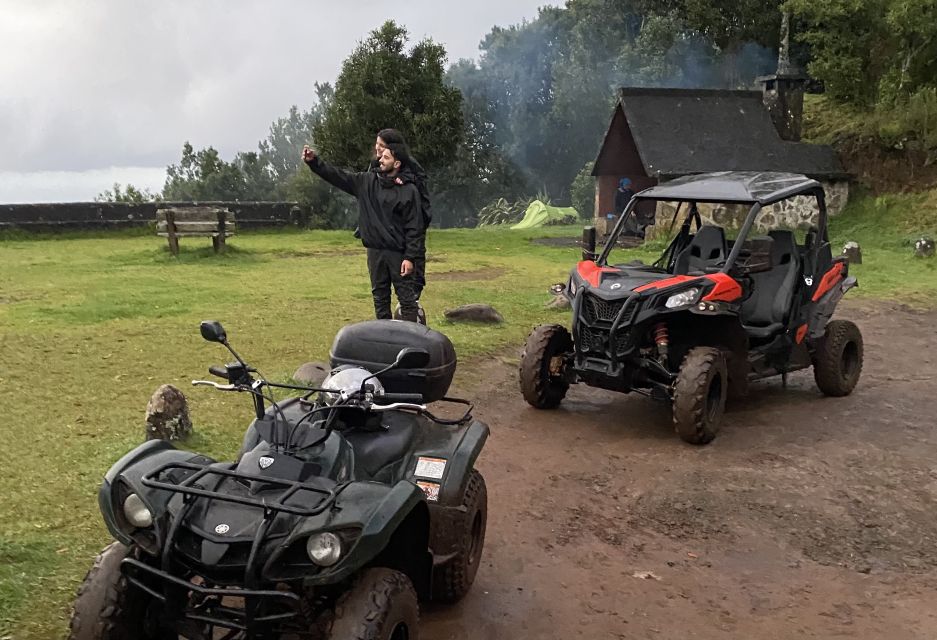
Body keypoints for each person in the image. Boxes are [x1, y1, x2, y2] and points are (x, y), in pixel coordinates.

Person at [302, 142, 425, 322]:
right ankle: (384, 341)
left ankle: (411, 341)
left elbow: (415, 227)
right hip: (374, 252)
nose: (380, 160)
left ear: (397, 164)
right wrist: (314, 162)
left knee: (407, 300)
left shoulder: (408, 190)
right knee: (380, 299)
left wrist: (410, 257)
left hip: (398, 253)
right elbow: (338, 176)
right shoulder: (366, 182)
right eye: (381, 156)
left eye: (386, 157)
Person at [367, 129, 431, 300]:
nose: (378, 148)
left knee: (411, 284)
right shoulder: (376, 165)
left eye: (382, 145)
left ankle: (412, 319)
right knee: (380, 291)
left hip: (409, 230)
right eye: (377, 144)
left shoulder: (410, 167)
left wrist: (403, 180)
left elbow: (421, 200)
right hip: (383, 237)